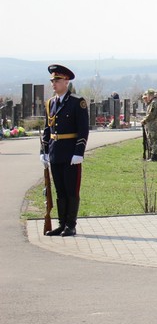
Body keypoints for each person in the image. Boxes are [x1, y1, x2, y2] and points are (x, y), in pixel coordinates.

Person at [40, 64, 89, 237]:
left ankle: (71, 224)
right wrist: (43, 151)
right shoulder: (50, 103)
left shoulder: (77, 102)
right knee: (59, 190)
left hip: (70, 153)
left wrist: (79, 152)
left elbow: (83, 130)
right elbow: (48, 129)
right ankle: (61, 224)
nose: (54, 83)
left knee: (71, 190)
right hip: (55, 153)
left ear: (66, 81)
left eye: (57, 80)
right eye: (52, 80)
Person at [142, 89, 157, 161]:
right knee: (153, 140)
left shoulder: (154, 103)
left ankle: (154, 156)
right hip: (153, 124)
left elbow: (151, 114)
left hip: (153, 125)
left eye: (147, 95)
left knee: (153, 140)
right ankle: (155, 155)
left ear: (150, 95)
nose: (146, 97)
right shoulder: (154, 102)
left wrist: (144, 120)